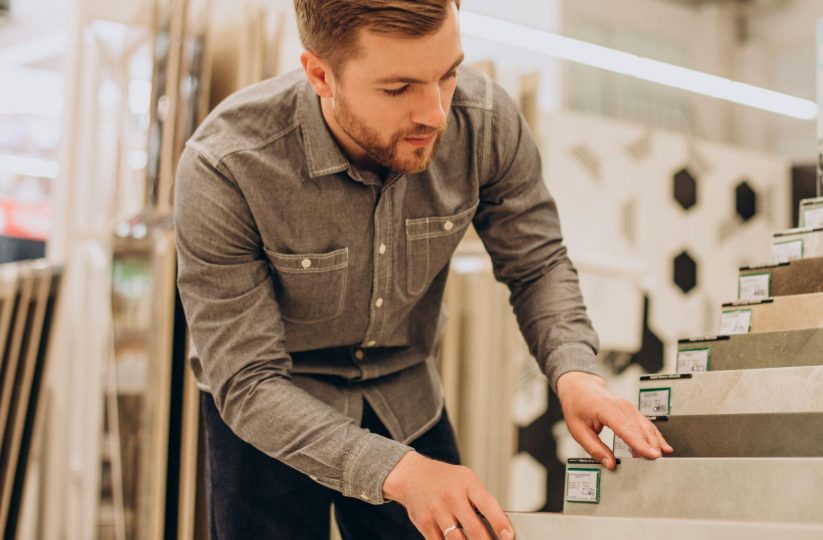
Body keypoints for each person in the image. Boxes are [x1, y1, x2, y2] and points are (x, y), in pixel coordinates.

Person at [173, 1, 673, 538]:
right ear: (321, 75)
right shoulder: (226, 166)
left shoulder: (483, 123)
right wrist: (396, 471)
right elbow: (248, 382)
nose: (435, 113)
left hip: (404, 398)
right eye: (398, 89)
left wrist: (576, 373)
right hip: (272, 413)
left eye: (448, 74)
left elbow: (536, 263)